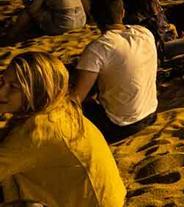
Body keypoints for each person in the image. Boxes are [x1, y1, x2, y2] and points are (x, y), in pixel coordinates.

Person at [0, 52, 126, 206]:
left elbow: (20, 145)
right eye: (2, 82)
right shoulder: (60, 108)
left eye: (13, 87)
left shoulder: (35, 130)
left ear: (37, 91)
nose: (1, 91)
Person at [72, 0, 158, 144]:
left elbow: (77, 97)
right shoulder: (145, 33)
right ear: (122, 13)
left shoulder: (98, 48)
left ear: (93, 19)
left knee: (77, 104)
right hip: (150, 113)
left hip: (120, 126)